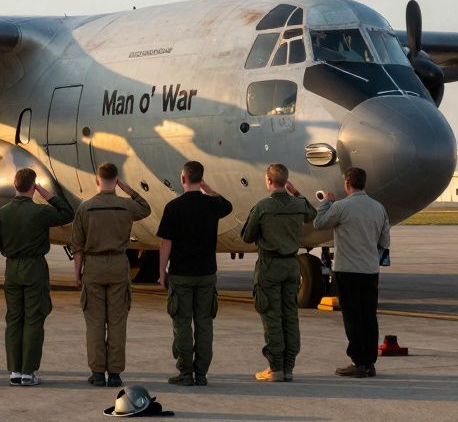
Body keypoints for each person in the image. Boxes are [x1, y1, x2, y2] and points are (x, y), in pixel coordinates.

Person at [71, 162, 151, 387]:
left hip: (94, 267)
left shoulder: (85, 208)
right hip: (118, 265)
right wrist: (128, 190)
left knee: (95, 322)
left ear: (97, 180)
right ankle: (115, 373)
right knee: (117, 322)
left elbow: (77, 246)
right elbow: (145, 208)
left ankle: (97, 373)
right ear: (116, 180)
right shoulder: (125, 206)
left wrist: (78, 274)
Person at [0, 168, 74, 386]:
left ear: (15, 185)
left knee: (13, 319)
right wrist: (49, 196)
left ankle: (14, 371)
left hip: (11, 267)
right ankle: (28, 371)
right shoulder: (39, 211)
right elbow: (68, 213)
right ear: (34, 186)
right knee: (34, 319)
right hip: (34, 268)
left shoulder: (3, 212)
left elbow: (0, 242)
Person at [156, 160, 233, 387]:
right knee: (204, 324)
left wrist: (162, 271)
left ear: (182, 179)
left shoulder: (173, 207)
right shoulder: (212, 205)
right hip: (206, 273)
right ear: (201, 179)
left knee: (182, 323)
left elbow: (165, 244)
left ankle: (185, 372)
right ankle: (201, 373)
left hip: (181, 274)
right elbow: (226, 204)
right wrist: (207, 189)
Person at [240, 163, 316, 382]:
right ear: (287, 181)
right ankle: (289, 367)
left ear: (268, 181)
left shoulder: (263, 207)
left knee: (272, 316)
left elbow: (247, 236)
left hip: (270, 266)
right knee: (290, 316)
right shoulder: (298, 204)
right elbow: (312, 214)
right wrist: (296, 192)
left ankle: (275, 368)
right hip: (292, 265)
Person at [315, 167, 390, 378]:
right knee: (369, 316)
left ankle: (359, 362)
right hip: (370, 270)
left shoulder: (341, 206)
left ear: (347, 184)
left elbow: (319, 224)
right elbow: (385, 240)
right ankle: (369, 362)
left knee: (352, 318)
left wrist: (325, 203)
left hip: (347, 270)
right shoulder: (378, 208)